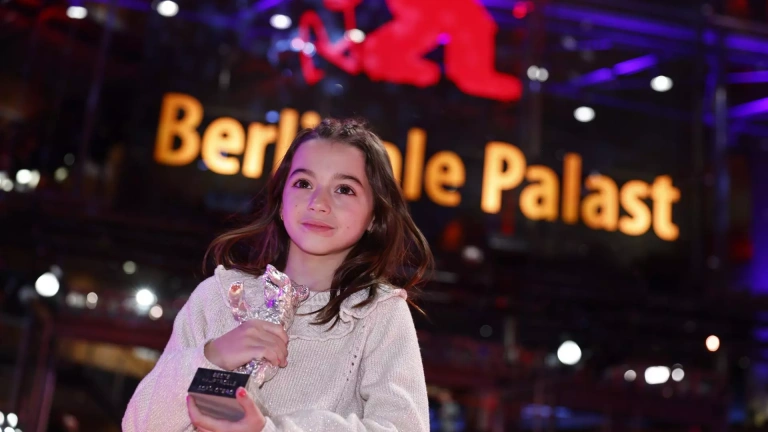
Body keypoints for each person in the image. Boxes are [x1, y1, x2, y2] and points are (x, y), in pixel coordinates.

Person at [122, 118, 434, 431]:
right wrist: (214, 356)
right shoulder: (218, 296)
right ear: (281, 201)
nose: (318, 203)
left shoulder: (379, 314)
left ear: (374, 216)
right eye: (303, 184)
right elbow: (139, 425)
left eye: (344, 189)